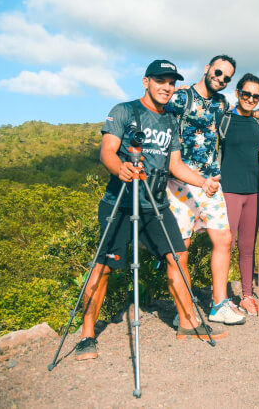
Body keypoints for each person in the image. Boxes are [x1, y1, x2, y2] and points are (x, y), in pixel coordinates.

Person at [74, 60, 227, 362]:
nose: (166, 87)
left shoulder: (170, 120)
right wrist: (122, 168)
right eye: (160, 80)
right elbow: (107, 151)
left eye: (171, 82)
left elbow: (175, 165)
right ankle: (86, 335)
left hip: (156, 205)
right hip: (120, 203)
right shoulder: (124, 111)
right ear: (146, 82)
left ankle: (188, 323)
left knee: (177, 257)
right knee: (103, 267)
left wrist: (203, 183)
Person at [165, 54, 245, 326]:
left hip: (210, 184)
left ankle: (219, 304)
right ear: (207, 68)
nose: (221, 79)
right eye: (219, 72)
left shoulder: (223, 103)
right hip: (179, 182)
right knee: (181, 249)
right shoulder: (180, 98)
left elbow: (240, 117)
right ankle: (183, 308)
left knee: (223, 239)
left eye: (227, 77)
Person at [218, 73, 259, 315]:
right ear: (237, 93)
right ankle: (221, 298)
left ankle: (246, 295)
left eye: (256, 96)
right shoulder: (223, 119)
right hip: (229, 190)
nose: (251, 99)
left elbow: (258, 145)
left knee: (247, 245)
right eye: (246, 94)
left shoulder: (258, 124)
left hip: (253, 191)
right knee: (226, 244)